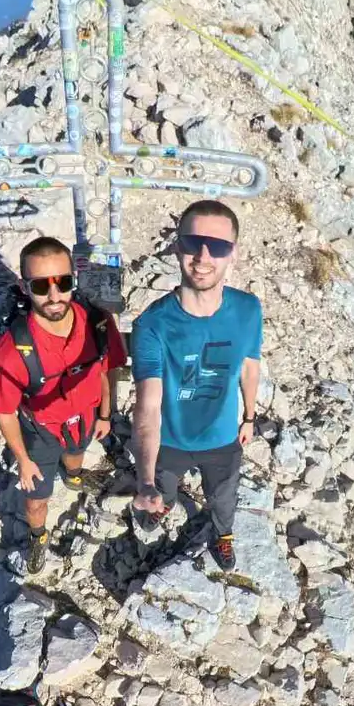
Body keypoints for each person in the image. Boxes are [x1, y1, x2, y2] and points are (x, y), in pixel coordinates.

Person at [128, 204, 263, 574]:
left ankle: (222, 534)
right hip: (170, 440)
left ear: (233, 253)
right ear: (177, 247)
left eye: (217, 246)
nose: (204, 257)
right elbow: (148, 407)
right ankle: (159, 503)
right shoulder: (152, 324)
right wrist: (144, 481)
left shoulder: (248, 310)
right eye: (193, 243)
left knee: (224, 498)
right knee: (163, 489)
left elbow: (249, 365)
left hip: (223, 438)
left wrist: (250, 417)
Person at [0, 234, 127, 573]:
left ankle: (73, 476)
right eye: (40, 286)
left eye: (62, 283)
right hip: (41, 431)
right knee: (36, 501)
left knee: (77, 451)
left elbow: (108, 368)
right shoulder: (11, 351)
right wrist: (23, 460)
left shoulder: (98, 323)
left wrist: (105, 414)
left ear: (73, 280)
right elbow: (5, 411)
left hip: (86, 416)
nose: (54, 296)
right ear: (25, 287)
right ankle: (38, 535)